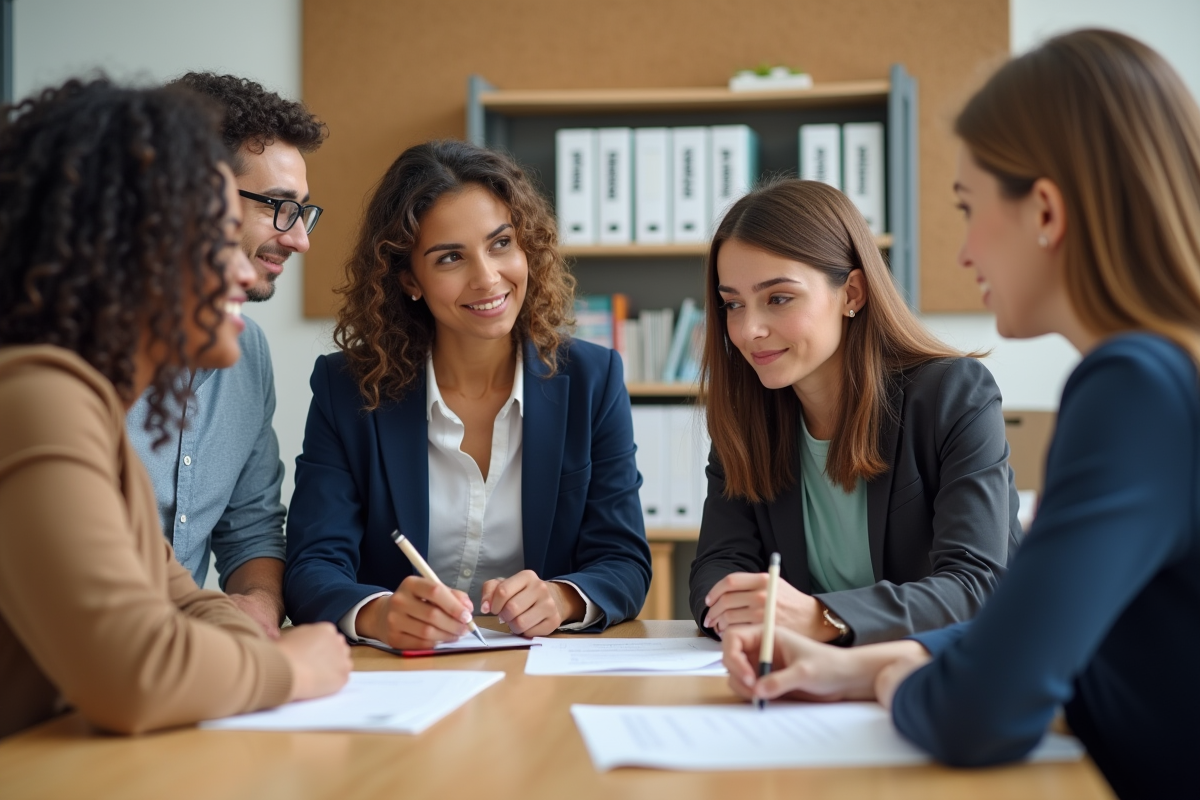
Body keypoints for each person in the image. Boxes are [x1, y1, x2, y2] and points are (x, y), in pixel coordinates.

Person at [720, 29, 1200, 799]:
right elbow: (1049, 638)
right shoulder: (1167, 376)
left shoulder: (1134, 389)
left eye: (969, 208)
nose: (965, 250)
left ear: (1045, 210)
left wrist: (887, 680)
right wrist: (860, 664)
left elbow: (984, 711)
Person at [0, 79, 349, 739]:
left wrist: (251, 647)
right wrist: (290, 672)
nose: (245, 273)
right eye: (219, 236)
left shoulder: (88, 412)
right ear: (129, 246)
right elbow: (136, 672)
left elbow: (185, 600)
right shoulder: (34, 398)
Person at [284, 140, 651, 648]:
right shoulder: (346, 389)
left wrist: (562, 598)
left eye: (501, 243)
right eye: (451, 257)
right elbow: (312, 565)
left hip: (541, 675)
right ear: (410, 278)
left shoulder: (593, 378)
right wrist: (378, 613)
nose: (487, 278)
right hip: (401, 677)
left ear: (527, 247)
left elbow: (624, 561)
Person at [689, 178, 1022, 645]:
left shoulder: (952, 395)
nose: (749, 330)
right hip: (805, 679)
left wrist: (823, 617)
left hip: (938, 676)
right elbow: (717, 568)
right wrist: (737, 606)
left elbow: (977, 585)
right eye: (733, 305)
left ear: (852, 294)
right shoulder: (747, 418)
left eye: (778, 298)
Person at [125, 72, 327, 637]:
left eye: (303, 211)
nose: (299, 239)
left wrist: (256, 615)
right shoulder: (58, 374)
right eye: (278, 207)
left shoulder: (248, 349)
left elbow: (252, 529)